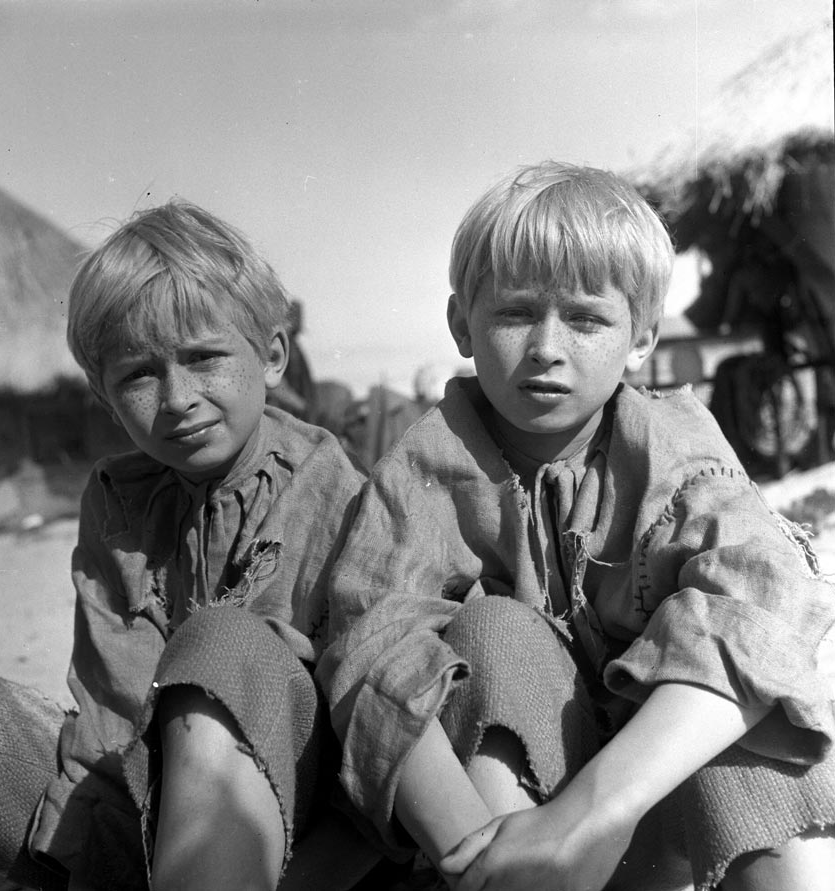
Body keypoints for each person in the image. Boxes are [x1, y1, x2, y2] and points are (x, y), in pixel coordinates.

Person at [316, 162, 835, 891]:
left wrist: (593, 813)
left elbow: (765, 593)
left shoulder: (673, 443)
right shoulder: (427, 465)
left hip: (655, 803)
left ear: (642, 338)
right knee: (496, 630)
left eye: (587, 319)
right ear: (462, 324)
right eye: (515, 313)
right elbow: (368, 647)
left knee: (746, 701)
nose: (547, 348)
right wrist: (488, 854)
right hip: (509, 812)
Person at [0, 202, 376, 891]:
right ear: (103, 394)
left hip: (298, 833)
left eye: (204, 358)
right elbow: (109, 708)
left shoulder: (332, 487)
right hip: (135, 807)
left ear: (272, 355)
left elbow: (367, 737)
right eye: (139, 374)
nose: (178, 396)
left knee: (224, 641)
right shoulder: (117, 498)